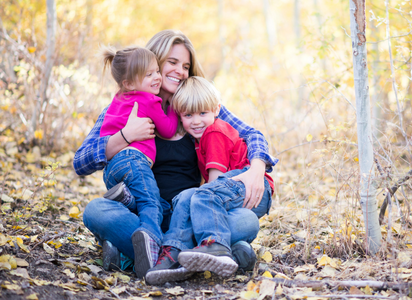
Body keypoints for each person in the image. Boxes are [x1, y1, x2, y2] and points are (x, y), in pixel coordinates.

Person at [74, 30, 278, 279]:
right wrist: (125, 136)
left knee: (246, 220)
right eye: (171, 62)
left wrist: (257, 168)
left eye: (185, 66)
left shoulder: (194, 108)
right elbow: (81, 161)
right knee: (96, 210)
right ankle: (205, 254)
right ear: (154, 62)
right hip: (145, 214)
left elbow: (252, 134)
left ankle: (140, 256)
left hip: (190, 213)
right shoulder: (128, 107)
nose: (179, 71)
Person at [145, 77, 273, 284]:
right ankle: (173, 253)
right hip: (229, 194)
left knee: (201, 194)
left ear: (216, 109)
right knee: (186, 196)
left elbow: (213, 185)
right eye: (188, 115)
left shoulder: (215, 132)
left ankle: (216, 245)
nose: (196, 121)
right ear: (179, 116)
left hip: (252, 188)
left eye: (202, 113)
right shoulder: (201, 136)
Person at [98, 46, 179, 278]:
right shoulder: (150, 101)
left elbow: (105, 137)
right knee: (151, 203)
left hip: (112, 168)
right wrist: (172, 105)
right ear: (129, 83)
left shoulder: (118, 99)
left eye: (156, 72)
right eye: (149, 75)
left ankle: (127, 200)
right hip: (135, 160)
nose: (157, 78)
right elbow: (168, 128)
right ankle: (150, 241)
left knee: (150, 203)